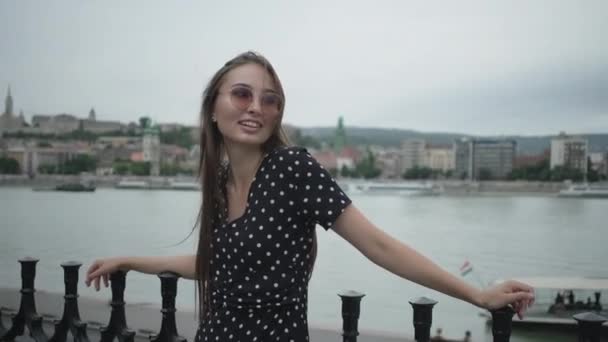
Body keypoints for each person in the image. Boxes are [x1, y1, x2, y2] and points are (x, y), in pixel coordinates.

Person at [85, 51, 535, 342]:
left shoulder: (291, 169)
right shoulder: (220, 184)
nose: (256, 107)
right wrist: (130, 261)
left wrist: (477, 296)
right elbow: (213, 264)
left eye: (270, 99)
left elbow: (379, 246)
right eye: (242, 94)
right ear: (213, 108)